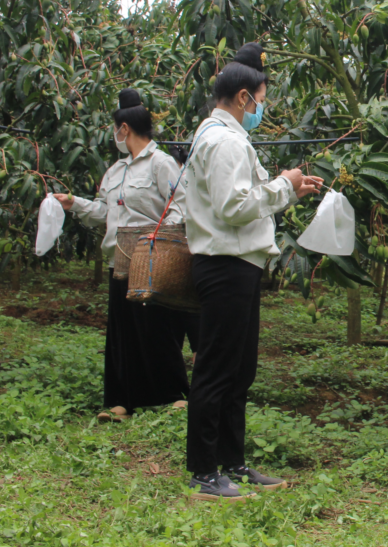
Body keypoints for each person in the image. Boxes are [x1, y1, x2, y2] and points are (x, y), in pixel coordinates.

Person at [182, 43, 324, 500]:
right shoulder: (224, 141)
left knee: (238, 371)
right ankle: (204, 472)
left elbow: (244, 196)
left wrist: (289, 189)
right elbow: (235, 206)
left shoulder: (224, 138)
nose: (262, 108)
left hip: (237, 264)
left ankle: (232, 461)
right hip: (224, 265)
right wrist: (284, 184)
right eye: (261, 100)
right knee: (217, 370)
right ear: (244, 97)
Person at [53, 89, 195, 422]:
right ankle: (121, 401)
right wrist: (75, 204)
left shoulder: (161, 163)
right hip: (119, 260)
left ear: (125, 128)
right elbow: (105, 211)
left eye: (116, 129)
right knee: (122, 333)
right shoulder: (116, 171)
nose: (115, 135)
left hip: (151, 259)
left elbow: (181, 204)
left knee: (156, 327)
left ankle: (174, 394)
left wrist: (156, 239)